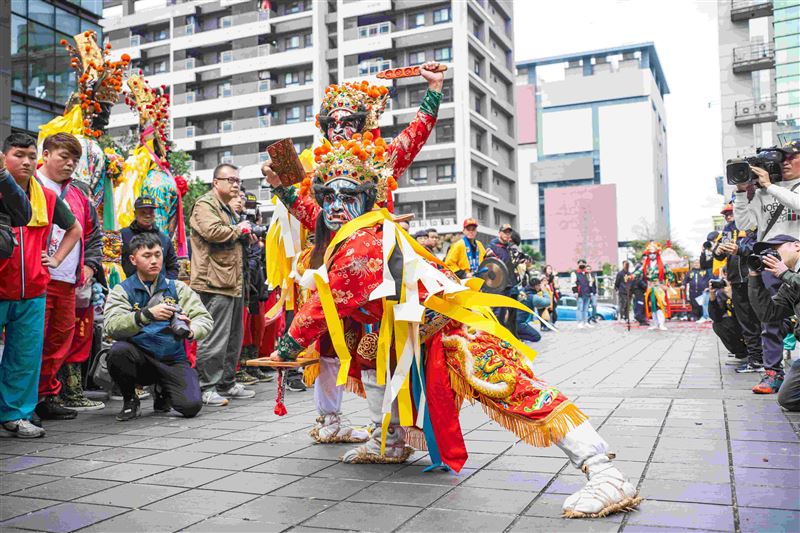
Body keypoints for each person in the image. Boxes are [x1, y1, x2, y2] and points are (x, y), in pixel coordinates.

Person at [267, 138, 640, 519]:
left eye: (345, 196)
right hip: (407, 331)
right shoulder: (355, 231)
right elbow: (314, 215)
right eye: (327, 196)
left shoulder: (360, 243)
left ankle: (604, 471)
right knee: (373, 363)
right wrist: (283, 189)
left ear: (365, 200)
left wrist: (285, 347)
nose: (333, 206)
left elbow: (322, 302)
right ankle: (391, 441)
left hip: (450, 327)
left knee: (510, 386)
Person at [262, 64, 446, 444]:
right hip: (332, 268)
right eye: (332, 122)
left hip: (376, 269)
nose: (339, 129)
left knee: (383, 344)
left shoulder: (379, 161)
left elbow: (414, 136)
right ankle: (329, 420)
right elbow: (312, 215)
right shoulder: (318, 169)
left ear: (364, 123)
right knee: (329, 343)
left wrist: (434, 91)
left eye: (349, 121)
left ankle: (391, 432)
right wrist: (281, 187)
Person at [0, 134, 81, 438]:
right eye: (19, 155)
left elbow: (74, 228)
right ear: (4, 158)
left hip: (33, 290)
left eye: (32, 156)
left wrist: (56, 259)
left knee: (25, 358)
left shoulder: (45, 197)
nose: (26, 162)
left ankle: (16, 415)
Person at [104, 233, 212, 421]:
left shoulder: (177, 287)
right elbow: (111, 326)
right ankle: (130, 399)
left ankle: (162, 390)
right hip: (140, 358)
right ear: (133, 259)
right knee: (117, 352)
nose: (154, 260)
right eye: (147, 256)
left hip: (172, 359)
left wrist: (191, 328)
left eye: (157, 254)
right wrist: (146, 315)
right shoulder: (123, 290)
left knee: (191, 407)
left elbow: (204, 319)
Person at [35, 133, 104, 421]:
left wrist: (89, 266)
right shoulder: (30, 185)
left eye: (74, 159)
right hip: (35, 280)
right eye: (64, 157)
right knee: (31, 342)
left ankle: (47, 396)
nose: (70, 164)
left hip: (68, 281)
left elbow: (93, 235)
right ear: (46, 154)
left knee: (59, 341)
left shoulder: (79, 193)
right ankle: (24, 400)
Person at [736, 141, 800, 394]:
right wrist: (742, 191)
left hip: (796, 261)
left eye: (791, 156)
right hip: (771, 258)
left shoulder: (775, 188)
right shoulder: (762, 191)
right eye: (780, 157)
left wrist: (770, 186)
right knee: (770, 319)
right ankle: (772, 372)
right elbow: (745, 222)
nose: (784, 161)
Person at [190, 164, 254, 406]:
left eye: (238, 180)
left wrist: (243, 232)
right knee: (214, 336)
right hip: (213, 281)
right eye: (230, 180)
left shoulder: (227, 209)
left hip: (232, 280)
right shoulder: (205, 205)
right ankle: (206, 386)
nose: (236, 184)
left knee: (233, 337)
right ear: (216, 182)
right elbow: (212, 232)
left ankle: (226, 382)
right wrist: (239, 229)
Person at [712, 206, 763, 373]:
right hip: (736, 281)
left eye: (731, 213)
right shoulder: (727, 231)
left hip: (755, 279)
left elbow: (760, 249)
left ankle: (763, 358)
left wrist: (740, 249)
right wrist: (718, 251)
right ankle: (755, 359)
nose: (728, 217)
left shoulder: (753, 225)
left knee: (758, 319)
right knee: (746, 321)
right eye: (726, 214)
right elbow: (719, 254)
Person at [748, 235, 800, 400]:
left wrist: (785, 273)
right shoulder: (790, 282)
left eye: (776, 249)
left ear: (797, 246)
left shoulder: (789, 276)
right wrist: (754, 276)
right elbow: (768, 313)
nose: (772, 255)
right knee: (788, 398)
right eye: (768, 252)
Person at [120, 196, 178, 279]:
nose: (147, 216)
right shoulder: (122, 236)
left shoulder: (164, 238)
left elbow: (172, 266)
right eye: (143, 212)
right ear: (135, 214)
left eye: (151, 212)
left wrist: (167, 285)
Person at [636, 242, 675, 331]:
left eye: (653, 253)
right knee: (651, 306)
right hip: (650, 288)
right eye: (650, 254)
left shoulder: (662, 264)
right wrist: (630, 276)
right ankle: (655, 323)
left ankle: (661, 323)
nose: (652, 255)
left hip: (659, 287)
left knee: (660, 305)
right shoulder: (646, 265)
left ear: (657, 253)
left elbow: (670, 275)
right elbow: (638, 272)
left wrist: (667, 284)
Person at [708, 274, 748, 361]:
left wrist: (733, 296)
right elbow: (715, 316)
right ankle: (741, 352)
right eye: (723, 278)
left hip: (751, 324)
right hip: (738, 323)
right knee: (719, 324)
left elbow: (748, 312)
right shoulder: (723, 293)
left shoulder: (745, 287)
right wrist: (712, 297)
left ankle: (754, 352)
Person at [488, 224, 518, 329]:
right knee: (498, 313)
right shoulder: (492, 246)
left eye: (509, 232)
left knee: (509, 315)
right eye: (505, 232)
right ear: (499, 233)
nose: (507, 234)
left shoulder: (509, 247)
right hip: (498, 286)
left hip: (510, 285)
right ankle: (496, 339)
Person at [517, 277, 551, 343]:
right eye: (539, 286)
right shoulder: (533, 297)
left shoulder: (521, 291)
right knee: (536, 337)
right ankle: (514, 336)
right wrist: (544, 290)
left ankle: (515, 336)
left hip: (512, 321)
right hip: (520, 323)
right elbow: (547, 302)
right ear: (536, 286)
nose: (540, 288)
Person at [570, 259, 593, 328]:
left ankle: (585, 322)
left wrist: (591, 292)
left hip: (587, 293)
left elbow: (590, 283)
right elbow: (573, 283)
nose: (581, 264)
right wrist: (575, 292)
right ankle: (579, 322)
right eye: (580, 263)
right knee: (580, 308)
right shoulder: (574, 273)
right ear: (578, 265)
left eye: (583, 263)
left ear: (585, 264)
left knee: (586, 309)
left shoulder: (587, 273)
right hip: (580, 293)